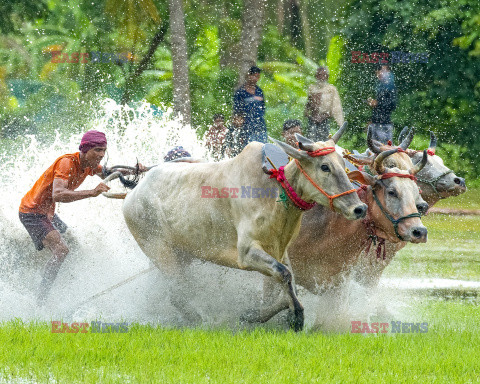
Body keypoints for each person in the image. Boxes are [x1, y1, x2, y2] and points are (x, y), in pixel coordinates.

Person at [19, 130, 146, 305]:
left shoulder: (90, 165)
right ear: (85, 149)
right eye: (98, 150)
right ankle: (39, 301)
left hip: (48, 213)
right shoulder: (66, 163)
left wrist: (134, 170)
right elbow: (58, 194)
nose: (101, 155)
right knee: (62, 250)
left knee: (73, 245)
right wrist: (92, 192)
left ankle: (55, 281)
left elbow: (110, 173)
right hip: (32, 213)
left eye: (103, 150)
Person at [304, 66, 344, 141]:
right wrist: (309, 115)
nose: (321, 77)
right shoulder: (312, 88)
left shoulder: (331, 89)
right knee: (310, 141)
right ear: (316, 76)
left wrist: (340, 123)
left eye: (324, 75)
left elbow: (336, 106)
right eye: (319, 75)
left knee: (323, 141)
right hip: (312, 119)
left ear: (327, 77)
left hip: (324, 119)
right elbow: (308, 104)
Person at [233, 65, 267, 146]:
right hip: (246, 127)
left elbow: (263, 108)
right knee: (248, 148)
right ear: (249, 75)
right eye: (254, 76)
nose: (256, 78)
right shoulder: (240, 92)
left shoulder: (259, 91)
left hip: (260, 125)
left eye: (258, 76)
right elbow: (237, 111)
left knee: (262, 147)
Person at [367, 64, 397, 143]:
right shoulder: (380, 86)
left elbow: (393, 104)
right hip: (376, 124)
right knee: (374, 149)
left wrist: (377, 103)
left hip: (384, 124)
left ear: (388, 71)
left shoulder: (390, 86)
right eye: (378, 72)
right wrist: (372, 121)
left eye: (382, 71)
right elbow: (377, 110)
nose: (379, 73)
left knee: (385, 149)